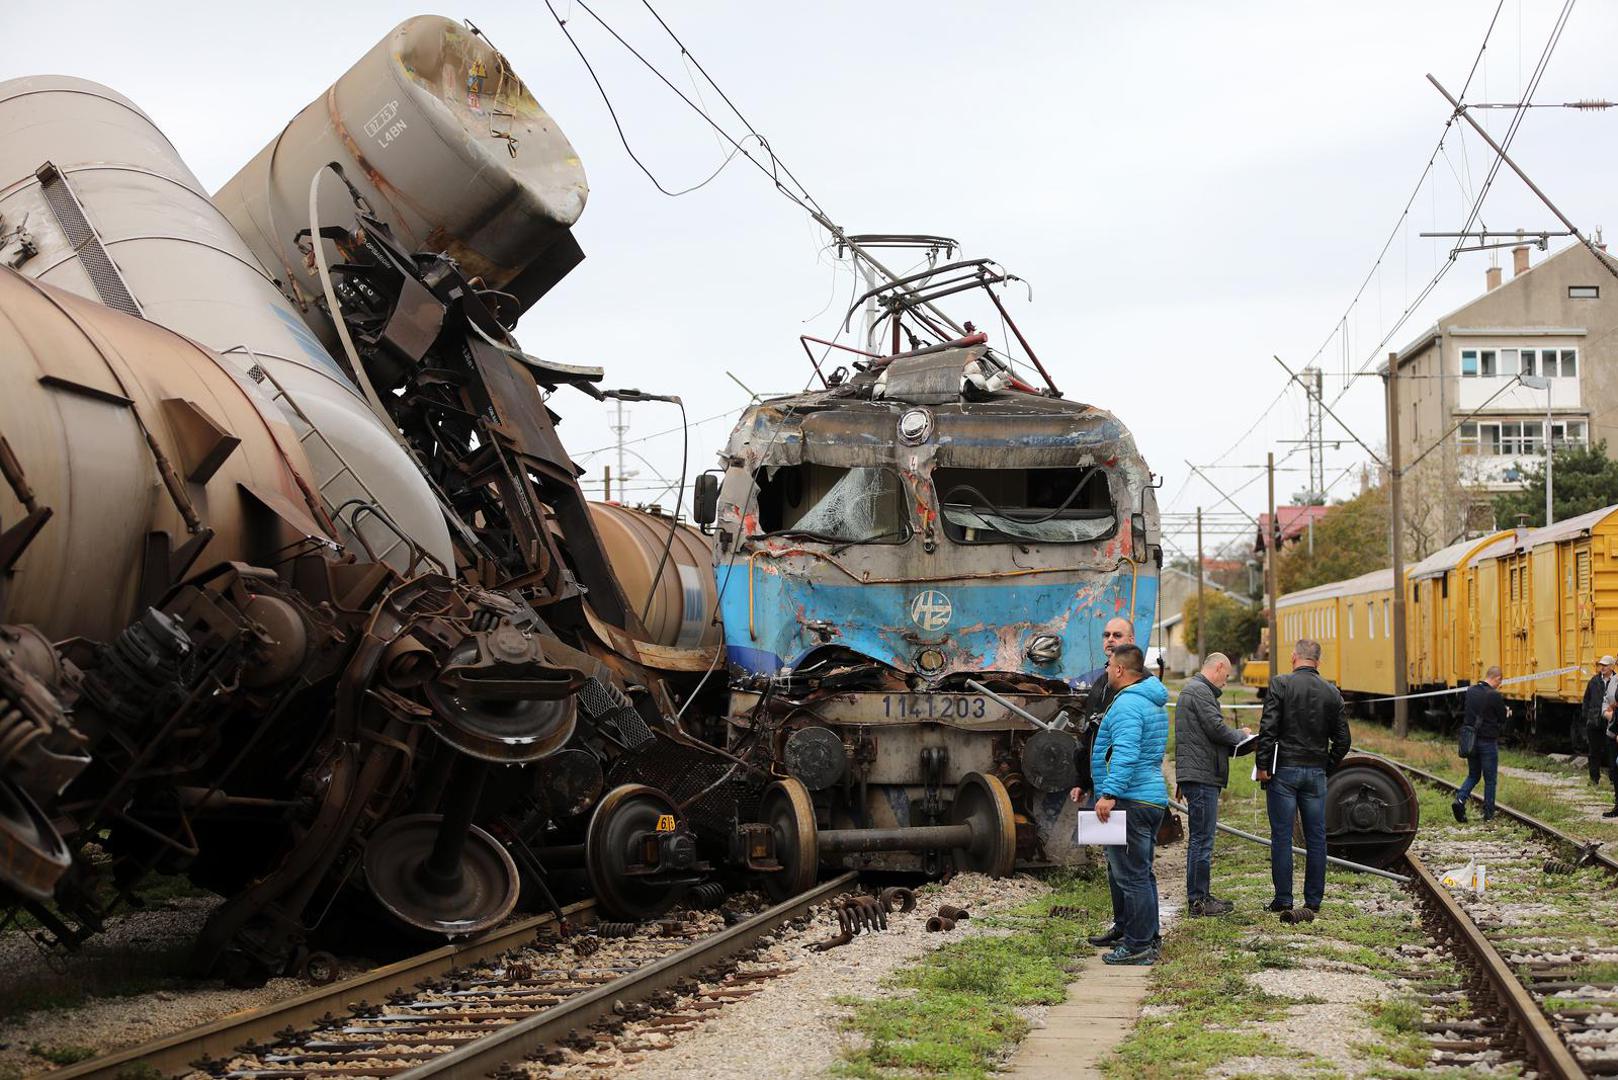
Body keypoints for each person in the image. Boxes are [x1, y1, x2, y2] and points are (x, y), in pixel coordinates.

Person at [1069, 644, 1169, 965]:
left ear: (1121, 670)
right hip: (1148, 797)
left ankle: (1138, 946)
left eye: (1110, 665)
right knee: (1142, 873)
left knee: (1131, 876)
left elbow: (1125, 752)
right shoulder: (1151, 701)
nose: (1107, 669)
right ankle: (1148, 938)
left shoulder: (1127, 705)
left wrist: (1109, 793)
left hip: (1130, 798)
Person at [1254, 638, 1349, 924]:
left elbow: (1268, 728)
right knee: (1316, 837)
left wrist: (1262, 765)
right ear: (1318, 662)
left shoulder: (1280, 684)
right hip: (1315, 772)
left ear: (1294, 657)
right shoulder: (1332, 692)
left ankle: (1284, 898)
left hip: (1283, 771)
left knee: (1282, 836)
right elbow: (1343, 740)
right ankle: (1314, 899)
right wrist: (1326, 765)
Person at [1174, 652, 1253, 917]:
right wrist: (1241, 735)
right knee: (1202, 840)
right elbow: (1216, 729)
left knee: (1202, 839)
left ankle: (1202, 895)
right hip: (1202, 776)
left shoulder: (1195, 691)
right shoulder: (1199, 692)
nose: (1226, 682)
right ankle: (1198, 901)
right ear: (1218, 667)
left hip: (1198, 774)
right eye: (1227, 675)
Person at [1072, 617, 1136, 800]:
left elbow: (1128, 745)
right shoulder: (1100, 683)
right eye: (1106, 635)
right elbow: (1089, 735)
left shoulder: (1136, 683)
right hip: (1099, 786)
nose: (1110, 639)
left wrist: (1112, 792)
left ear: (1130, 641)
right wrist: (1082, 782)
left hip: (1123, 790)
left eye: (1117, 635)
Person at [1452, 666, 1506, 822]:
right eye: (1499, 682)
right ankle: (1488, 814)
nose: (1499, 685)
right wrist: (1506, 712)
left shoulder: (1471, 691)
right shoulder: (1495, 695)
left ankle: (1460, 800)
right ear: (1497, 678)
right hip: (1488, 742)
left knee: (1473, 775)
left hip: (1472, 742)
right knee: (1490, 779)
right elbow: (1502, 718)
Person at [1585, 656, 1615, 785]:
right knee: (1594, 751)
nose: (1602, 667)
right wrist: (1588, 716)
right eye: (1601, 665)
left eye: (1606, 665)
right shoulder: (1594, 681)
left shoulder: (1616, 681)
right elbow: (1586, 700)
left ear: (1612, 667)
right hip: (1595, 721)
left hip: (1611, 722)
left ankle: (1613, 779)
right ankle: (1594, 779)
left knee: (1611, 752)